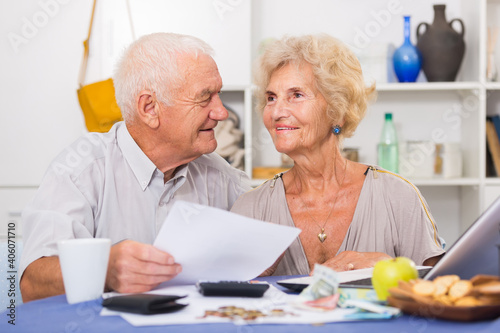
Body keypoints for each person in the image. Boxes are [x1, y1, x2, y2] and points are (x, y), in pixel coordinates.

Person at [20, 32, 251, 302]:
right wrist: (104, 270)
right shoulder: (80, 171)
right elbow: (31, 285)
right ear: (149, 108)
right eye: (205, 97)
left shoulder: (221, 177)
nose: (221, 112)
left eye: (218, 94)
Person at [231, 34, 445, 276]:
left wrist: (389, 265)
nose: (277, 111)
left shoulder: (398, 197)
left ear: (337, 111)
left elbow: (443, 289)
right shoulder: (250, 208)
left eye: (296, 95)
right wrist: (252, 275)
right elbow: (223, 304)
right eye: (271, 98)